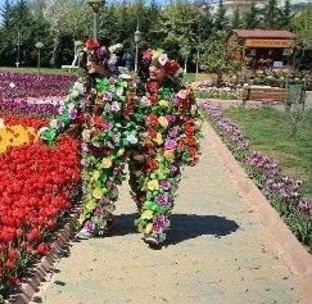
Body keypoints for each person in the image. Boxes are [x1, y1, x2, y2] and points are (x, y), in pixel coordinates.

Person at [40, 39, 138, 239]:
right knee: (90, 183)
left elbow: (130, 113)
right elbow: (69, 110)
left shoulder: (120, 83)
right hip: (90, 145)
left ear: (103, 60)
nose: (87, 63)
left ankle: (95, 224)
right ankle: (101, 218)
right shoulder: (83, 84)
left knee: (105, 182)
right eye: (86, 59)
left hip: (113, 145)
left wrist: (129, 137)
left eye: (91, 59)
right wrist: (52, 132)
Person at [128, 48, 201, 248]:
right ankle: (147, 219)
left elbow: (188, 119)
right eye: (151, 66)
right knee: (141, 187)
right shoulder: (139, 89)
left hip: (167, 149)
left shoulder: (179, 91)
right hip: (141, 149)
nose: (152, 70)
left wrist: (185, 144)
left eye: (158, 67)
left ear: (167, 69)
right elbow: (129, 116)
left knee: (162, 187)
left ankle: (157, 230)